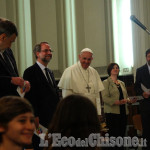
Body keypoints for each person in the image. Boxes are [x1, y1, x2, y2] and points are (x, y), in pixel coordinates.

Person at [23, 42, 60, 150]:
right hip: (39, 120)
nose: (49, 53)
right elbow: (29, 97)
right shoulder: (30, 71)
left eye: (50, 51)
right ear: (37, 53)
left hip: (52, 118)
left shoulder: (50, 72)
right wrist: (34, 116)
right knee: (40, 146)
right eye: (45, 51)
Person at [58, 48, 104, 115]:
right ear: (79, 57)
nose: (86, 61)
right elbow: (66, 97)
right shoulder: (69, 71)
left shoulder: (94, 72)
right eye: (84, 58)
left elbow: (97, 96)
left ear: (92, 59)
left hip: (92, 112)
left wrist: (98, 113)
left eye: (89, 59)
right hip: (77, 113)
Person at [102, 63, 131, 150]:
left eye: (117, 68)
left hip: (123, 111)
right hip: (112, 112)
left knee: (121, 135)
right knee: (114, 136)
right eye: (113, 68)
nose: (116, 69)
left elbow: (125, 97)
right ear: (109, 70)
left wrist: (129, 100)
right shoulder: (105, 82)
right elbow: (105, 98)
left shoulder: (121, 83)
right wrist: (116, 102)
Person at [0, 17, 30, 98]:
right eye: (10, 42)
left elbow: (14, 75)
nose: (10, 46)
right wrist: (10, 80)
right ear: (2, 37)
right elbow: (11, 79)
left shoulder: (8, 52)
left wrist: (23, 83)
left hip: (12, 102)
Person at [135, 48, 150, 150]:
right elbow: (136, 87)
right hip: (146, 104)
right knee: (147, 129)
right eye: (149, 56)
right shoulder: (140, 70)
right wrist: (142, 93)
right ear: (146, 57)